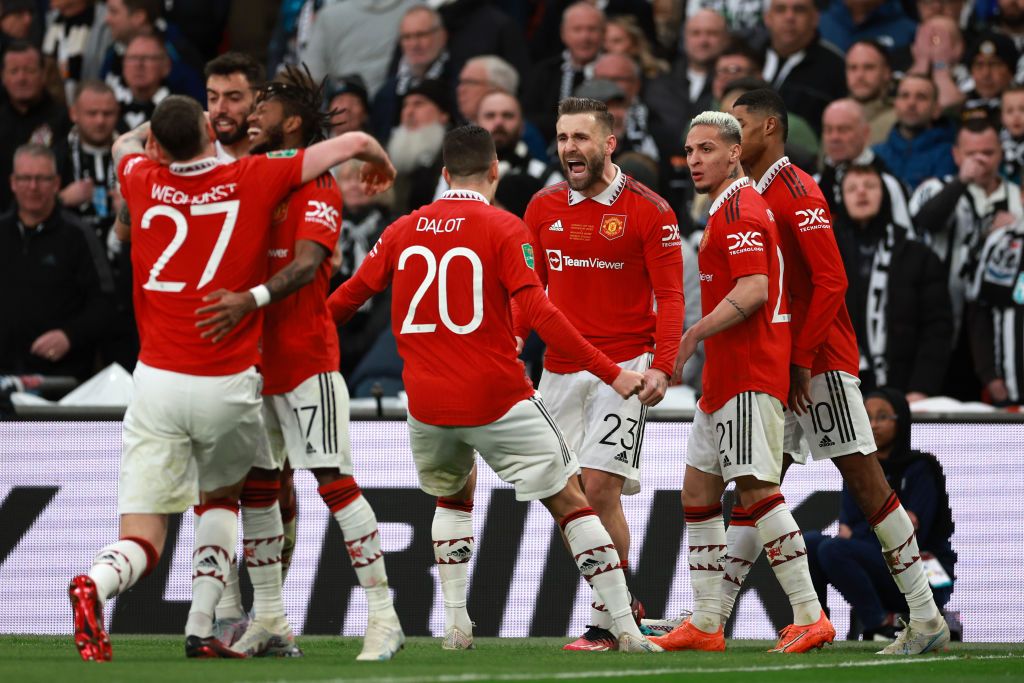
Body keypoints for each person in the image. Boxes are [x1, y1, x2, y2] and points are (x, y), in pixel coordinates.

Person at [66, 94, 396, 661]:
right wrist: (379, 160)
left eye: (249, 103)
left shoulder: (144, 175)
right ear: (202, 128)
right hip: (230, 378)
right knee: (235, 497)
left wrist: (162, 132)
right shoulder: (248, 176)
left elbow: (122, 146)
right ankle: (223, 623)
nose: (236, 115)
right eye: (214, 107)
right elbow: (358, 143)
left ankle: (98, 582)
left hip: (176, 380)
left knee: (150, 531)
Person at [325, 124, 661, 653]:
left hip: (427, 405)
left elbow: (346, 299)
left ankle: (456, 625)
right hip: (497, 396)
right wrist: (611, 371)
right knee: (571, 500)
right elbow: (539, 311)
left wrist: (293, 348)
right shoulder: (505, 228)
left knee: (452, 499)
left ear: (442, 175)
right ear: (495, 171)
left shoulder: (401, 230)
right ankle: (624, 624)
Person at [727, 90, 951, 654]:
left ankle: (924, 617)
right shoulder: (750, 191)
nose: (731, 136)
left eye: (739, 125)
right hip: (780, 363)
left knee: (868, 485)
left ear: (771, 127)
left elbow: (832, 282)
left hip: (819, 364)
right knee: (757, 483)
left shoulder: (799, 190)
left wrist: (803, 359)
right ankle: (710, 617)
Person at [193, 66, 405, 661]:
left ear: (289, 122)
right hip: (251, 365)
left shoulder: (318, 186)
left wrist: (249, 300)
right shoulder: (248, 178)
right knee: (259, 491)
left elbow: (309, 265)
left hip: (308, 360)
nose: (249, 118)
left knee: (333, 482)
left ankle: (384, 619)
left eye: (260, 109)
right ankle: (269, 619)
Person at [653, 110, 833, 654]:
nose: (696, 160)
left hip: (751, 372)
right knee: (697, 492)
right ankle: (707, 622)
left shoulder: (741, 207)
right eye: (690, 151)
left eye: (707, 149)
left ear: (735, 153)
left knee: (757, 489)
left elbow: (755, 290)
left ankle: (810, 613)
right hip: (725, 377)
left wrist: (692, 336)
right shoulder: (728, 207)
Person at [522, 97, 684, 651]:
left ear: (608, 144)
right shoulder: (541, 208)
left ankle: (605, 621)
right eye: (563, 137)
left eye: (581, 138)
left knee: (599, 487)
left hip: (627, 368)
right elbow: (528, 294)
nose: (570, 147)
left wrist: (662, 367)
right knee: (562, 497)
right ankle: (627, 603)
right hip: (560, 373)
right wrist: (511, 348)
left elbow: (670, 295)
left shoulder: (650, 210)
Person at [804, 389, 956, 640]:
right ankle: (815, 624)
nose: (873, 425)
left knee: (834, 549)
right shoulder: (858, 470)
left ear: (901, 421)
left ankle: (881, 623)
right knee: (811, 543)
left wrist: (866, 533)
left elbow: (914, 533)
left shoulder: (921, 468)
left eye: (882, 417)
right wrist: (881, 529)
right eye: (867, 417)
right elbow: (849, 529)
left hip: (926, 572)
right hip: (877, 562)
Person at [911, 119, 1021, 400]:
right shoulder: (936, 188)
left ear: (1001, 153)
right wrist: (962, 180)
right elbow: (924, 222)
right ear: (956, 154)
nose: (980, 160)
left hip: (989, 321)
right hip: (937, 317)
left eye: (988, 152)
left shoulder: (1017, 198)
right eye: (972, 154)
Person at [834, 164, 953, 398]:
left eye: (870, 186)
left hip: (903, 389)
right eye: (852, 188)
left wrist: (922, 386)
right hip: (837, 387)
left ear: (886, 196)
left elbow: (937, 327)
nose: (861, 192)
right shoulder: (824, 255)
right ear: (841, 199)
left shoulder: (918, 256)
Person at [0, 143, 112, 383]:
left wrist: (70, 336)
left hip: (61, 384)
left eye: (42, 179)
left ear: (56, 183)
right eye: (25, 178)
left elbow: (104, 303)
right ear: (12, 183)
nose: (33, 187)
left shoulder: (79, 236)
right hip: (5, 379)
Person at [0, 42, 71, 211]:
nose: (21, 78)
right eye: (14, 71)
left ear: (43, 74)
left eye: (29, 71)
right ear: (3, 76)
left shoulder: (63, 120)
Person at [762, 0, 847, 137]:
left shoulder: (835, 67)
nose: (789, 17)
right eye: (780, 9)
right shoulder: (749, 56)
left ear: (815, 18)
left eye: (799, 9)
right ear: (767, 18)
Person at [523, 2, 605, 142]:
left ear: (603, 33)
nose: (585, 37)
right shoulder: (544, 72)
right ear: (563, 34)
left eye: (592, 29)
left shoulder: (615, 70)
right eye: (577, 29)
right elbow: (528, 116)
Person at [873, 73, 957, 192]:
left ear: (936, 109)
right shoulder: (875, 154)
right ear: (895, 105)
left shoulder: (951, 155)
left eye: (921, 97)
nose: (911, 103)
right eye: (904, 96)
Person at [204, 51, 261, 162]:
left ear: (258, 99)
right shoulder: (192, 160)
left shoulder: (276, 158)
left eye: (234, 98)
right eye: (213, 98)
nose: (220, 109)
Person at [845, 40, 897, 147]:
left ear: (886, 72)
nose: (860, 76)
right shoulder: (834, 117)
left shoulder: (900, 120)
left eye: (869, 67)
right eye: (853, 68)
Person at [116, 33, 170, 130]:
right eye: (133, 58)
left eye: (147, 58)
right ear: (123, 65)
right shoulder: (107, 108)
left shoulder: (178, 111)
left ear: (166, 66)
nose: (139, 65)